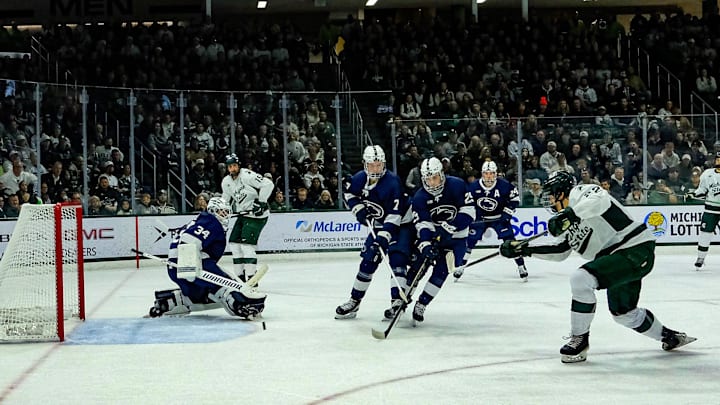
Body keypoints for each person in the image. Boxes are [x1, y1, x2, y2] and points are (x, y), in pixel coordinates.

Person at [500, 170, 696, 363]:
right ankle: (669, 336)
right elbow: (560, 250)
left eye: (551, 195)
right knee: (624, 314)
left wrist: (569, 214)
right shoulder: (568, 221)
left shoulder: (581, 193)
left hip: (634, 249)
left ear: (561, 192)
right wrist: (524, 249)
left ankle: (580, 340)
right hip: (620, 260)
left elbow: (599, 200)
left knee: (581, 278)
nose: (550, 201)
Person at [148, 197, 266, 319]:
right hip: (193, 264)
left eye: (226, 212)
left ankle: (168, 303)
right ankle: (243, 306)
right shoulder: (211, 221)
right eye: (222, 212)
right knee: (226, 285)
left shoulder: (199, 221)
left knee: (198, 295)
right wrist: (188, 265)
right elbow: (189, 240)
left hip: (174, 268)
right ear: (213, 210)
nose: (225, 215)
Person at [335, 145, 415, 320]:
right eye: (372, 165)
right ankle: (354, 301)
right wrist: (359, 211)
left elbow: (395, 216)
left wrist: (383, 238)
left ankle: (396, 303)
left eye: (379, 165)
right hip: (379, 224)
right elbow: (350, 195)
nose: (375, 169)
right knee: (368, 262)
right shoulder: (359, 178)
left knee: (397, 260)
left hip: (402, 224)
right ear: (365, 164)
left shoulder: (392, 182)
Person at [410, 157, 475, 324]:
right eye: (428, 179)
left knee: (442, 270)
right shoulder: (419, 197)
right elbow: (423, 223)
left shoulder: (457, 185)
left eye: (435, 177)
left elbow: (469, 212)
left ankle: (422, 303)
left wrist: (451, 226)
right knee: (418, 265)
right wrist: (426, 244)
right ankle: (402, 298)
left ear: (441, 174)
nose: (432, 182)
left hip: (457, 238)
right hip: (435, 236)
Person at [457, 161, 527, 282]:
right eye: (486, 173)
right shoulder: (473, 187)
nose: (489, 176)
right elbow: (467, 203)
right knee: (469, 242)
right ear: (482, 174)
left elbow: (515, 199)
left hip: (499, 218)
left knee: (511, 242)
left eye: (491, 173)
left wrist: (507, 213)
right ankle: (460, 267)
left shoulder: (504, 185)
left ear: (496, 174)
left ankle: (521, 266)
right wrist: (471, 216)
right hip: (480, 219)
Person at [221, 153, 274, 283]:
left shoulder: (247, 175)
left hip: (257, 216)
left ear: (238, 165)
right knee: (234, 244)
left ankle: (251, 279)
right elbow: (225, 200)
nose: (232, 169)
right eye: (230, 167)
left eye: (234, 166)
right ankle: (239, 279)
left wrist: (261, 202)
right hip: (244, 215)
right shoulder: (226, 182)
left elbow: (268, 184)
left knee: (246, 246)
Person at [689, 150, 720, 270]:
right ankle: (700, 258)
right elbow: (701, 190)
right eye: (717, 159)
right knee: (705, 235)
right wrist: (692, 195)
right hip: (710, 210)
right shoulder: (707, 174)